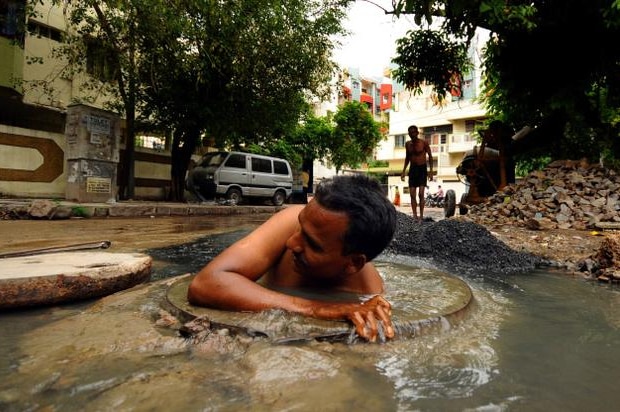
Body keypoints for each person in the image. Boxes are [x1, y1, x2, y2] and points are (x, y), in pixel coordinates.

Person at [188, 174, 398, 342]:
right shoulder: (288, 221)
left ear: (353, 263)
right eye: (300, 226)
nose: (291, 244)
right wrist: (315, 308)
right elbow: (205, 283)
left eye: (313, 244)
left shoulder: (367, 292)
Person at [400, 125, 433, 221]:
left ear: (417, 133)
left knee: (421, 194)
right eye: (410, 133)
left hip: (422, 169)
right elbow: (407, 158)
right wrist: (403, 171)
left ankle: (421, 216)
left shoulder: (424, 143)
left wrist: (431, 172)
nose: (412, 134)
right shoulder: (407, 144)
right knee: (412, 194)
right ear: (409, 134)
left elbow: (430, 156)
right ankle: (415, 215)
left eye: (414, 132)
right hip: (412, 169)